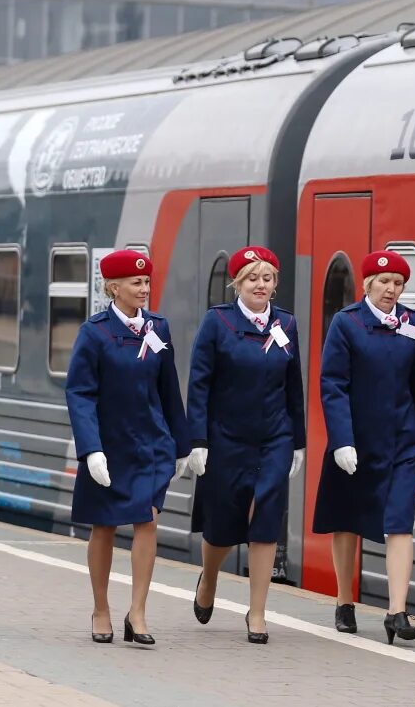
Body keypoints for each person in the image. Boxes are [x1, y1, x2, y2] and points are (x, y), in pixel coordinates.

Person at [311, 250, 415, 645]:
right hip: (356, 440)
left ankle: (397, 611)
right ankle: (344, 601)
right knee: (349, 520)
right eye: (384, 282)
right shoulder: (346, 324)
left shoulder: (411, 323)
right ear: (367, 283)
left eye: (398, 284)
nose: (391, 289)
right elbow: (333, 385)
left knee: (400, 522)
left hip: (403, 439)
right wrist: (342, 440)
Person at [66, 249, 190, 646]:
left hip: (151, 443)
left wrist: (183, 445)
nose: (143, 288)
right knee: (103, 525)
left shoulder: (159, 328)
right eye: (135, 283)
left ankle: (137, 611)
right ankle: (100, 608)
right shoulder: (95, 332)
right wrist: (91, 449)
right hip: (109, 444)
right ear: (112, 287)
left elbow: (169, 388)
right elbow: (79, 393)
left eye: (147, 282)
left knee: (146, 520)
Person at [185, 246, 305, 645]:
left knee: (266, 519)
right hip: (225, 437)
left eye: (268, 278)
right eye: (253, 277)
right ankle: (210, 579)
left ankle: (257, 613)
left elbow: (294, 388)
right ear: (237, 282)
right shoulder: (217, 322)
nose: (261, 284)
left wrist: (298, 443)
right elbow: (199, 384)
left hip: (274, 437)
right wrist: (198, 440)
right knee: (221, 526)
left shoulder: (285, 323)